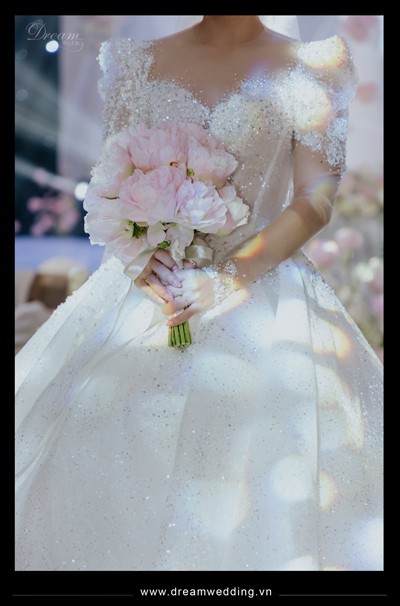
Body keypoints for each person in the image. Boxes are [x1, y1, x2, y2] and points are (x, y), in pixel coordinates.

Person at [15, 16, 383, 571]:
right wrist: (137, 255)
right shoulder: (134, 63)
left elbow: (317, 196)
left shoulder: (311, 67)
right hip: (148, 290)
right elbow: (114, 182)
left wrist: (230, 276)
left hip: (262, 294)